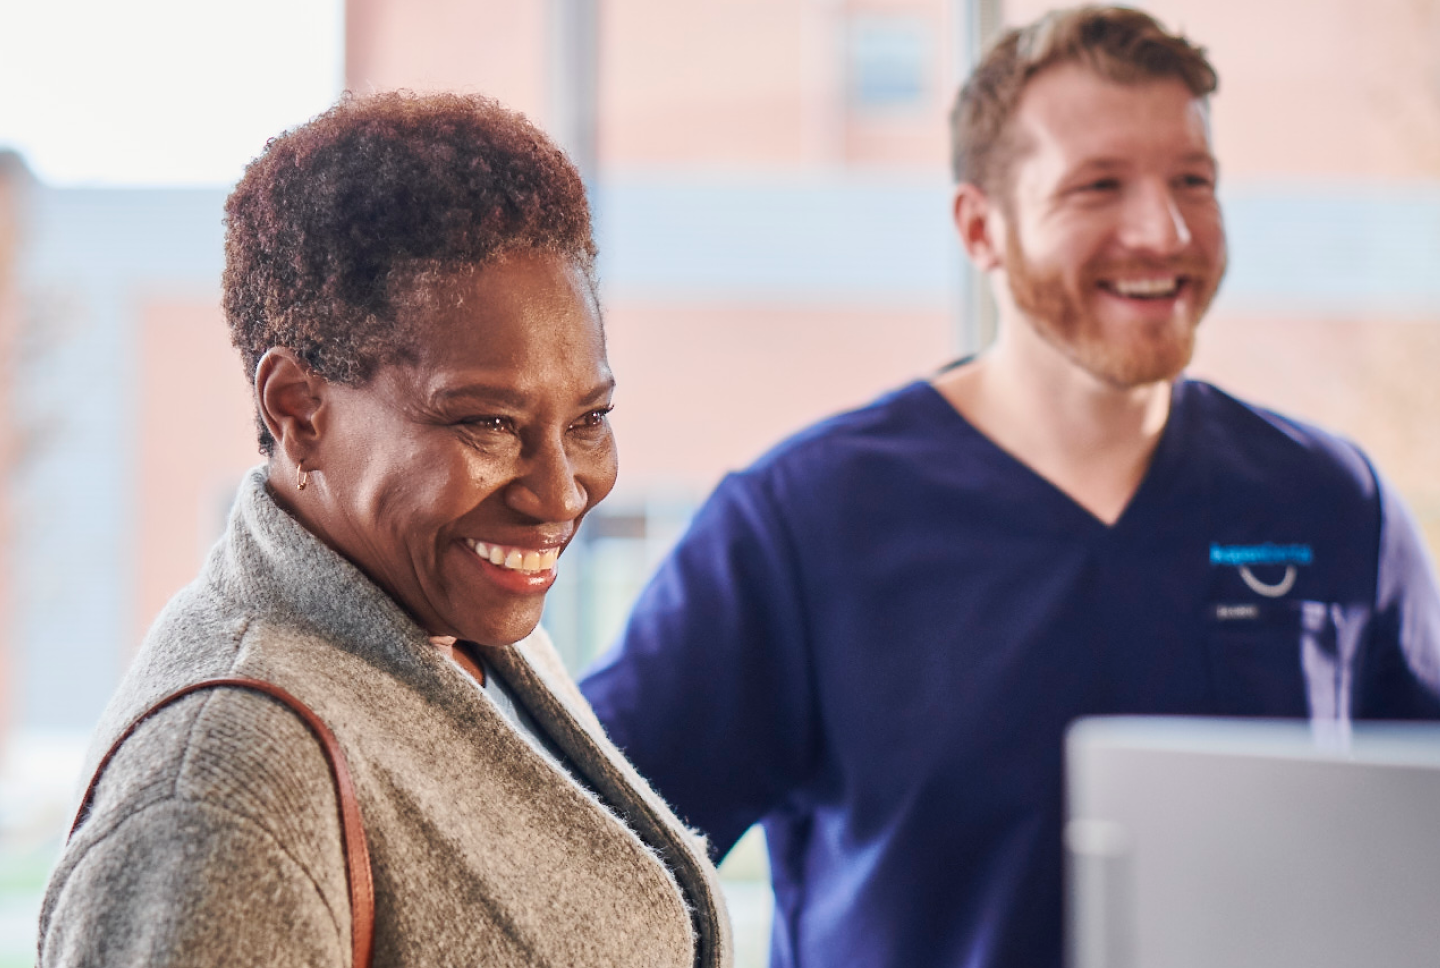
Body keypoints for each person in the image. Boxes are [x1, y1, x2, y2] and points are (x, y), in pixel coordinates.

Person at [579, 7, 1440, 968]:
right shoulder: (805, 524)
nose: (1164, 229)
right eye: (1098, 187)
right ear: (980, 227)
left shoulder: (1331, 506)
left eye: (1193, 181)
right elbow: (574, 860)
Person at [38, 92, 731, 968]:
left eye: (588, 420)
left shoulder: (456, 623)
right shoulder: (222, 785)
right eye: (487, 423)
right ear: (299, 410)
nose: (561, 494)